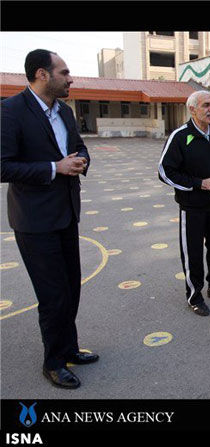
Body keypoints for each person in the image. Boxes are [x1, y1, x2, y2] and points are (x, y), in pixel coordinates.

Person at [1, 49, 96, 389]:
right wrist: (54, 168)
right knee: (53, 295)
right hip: (35, 221)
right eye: (65, 72)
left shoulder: (66, 113)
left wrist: (81, 159)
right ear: (42, 74)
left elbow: (80, 147)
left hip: (67, 214)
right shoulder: (11, 111)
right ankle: (53, 362)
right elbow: (3, 165)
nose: (71, 78)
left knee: (71, 289)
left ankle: (69, 349)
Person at [158, 91, 210, 316]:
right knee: (192, 253)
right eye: (206, 105)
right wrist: (198, 183)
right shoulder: (180, 136)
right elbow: (164, 172)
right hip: (191, 207)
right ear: (192, 109)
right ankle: (195, 295)